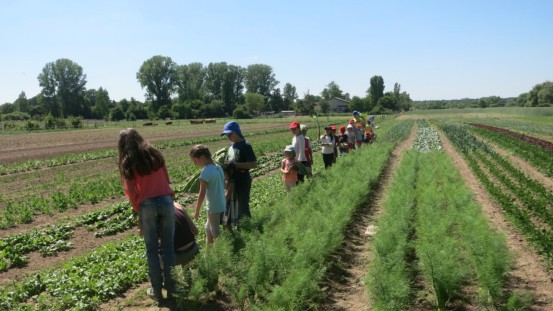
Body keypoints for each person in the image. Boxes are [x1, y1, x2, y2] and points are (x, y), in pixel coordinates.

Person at [117, 128, 175, 301]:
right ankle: (171, 289)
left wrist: (139, 212)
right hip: (166, 201)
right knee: (168, 248)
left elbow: (131, 191)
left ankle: (156, 291)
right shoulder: (155, 153)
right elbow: (167, 178)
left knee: (151, 250)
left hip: (147, 205)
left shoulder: (128, 161)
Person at [221, 121, 257, 227]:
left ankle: (247, 227)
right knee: (230, 205)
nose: (228, 136)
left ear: (236, 132)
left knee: (242, 205)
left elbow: (253, 164)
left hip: (243, 180)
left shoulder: (246, 146)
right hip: (231, 181)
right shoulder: (231, 147)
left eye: (229, 134)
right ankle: (232, 227)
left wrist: (236, 165)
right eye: (226, 135)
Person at [190, 144, 226, 245]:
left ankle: (220, 251)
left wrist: (196, 210)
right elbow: (222, 184)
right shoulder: (218, 167)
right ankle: (208, 251)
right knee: (208, 227)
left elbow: (201, 194)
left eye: (195, 161)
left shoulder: (206, 172)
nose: (195, 164)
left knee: (215, 229)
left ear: (201, 158)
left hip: (213, 205)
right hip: (220, 202)